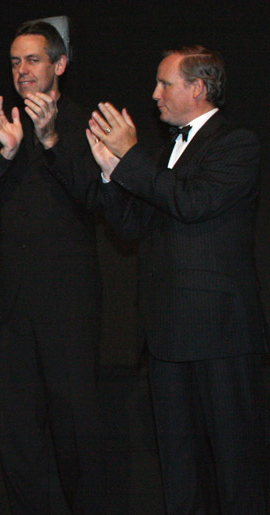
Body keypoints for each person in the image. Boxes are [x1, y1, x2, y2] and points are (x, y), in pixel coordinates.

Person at [87, 45, 266, 513]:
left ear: (198, 88)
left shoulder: (237, 143)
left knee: (235, 465)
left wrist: (131, 156)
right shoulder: (167, 152)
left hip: (219, 332)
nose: (155, 94)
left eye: (165, 84)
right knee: (179, 465)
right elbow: (131, 228)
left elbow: (191, 203)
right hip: (166, 333)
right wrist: (111, 173)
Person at [0, 21, 108, 513]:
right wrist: (4, 154)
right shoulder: (3, 123)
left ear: (59, 64)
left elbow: (96, 199)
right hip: (11, 304)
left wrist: (50, 140)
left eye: (32, 60)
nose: (21, 71)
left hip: (68, 305)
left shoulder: (87, 121)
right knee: (20, 434)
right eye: (14, 62)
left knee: (75, 429)